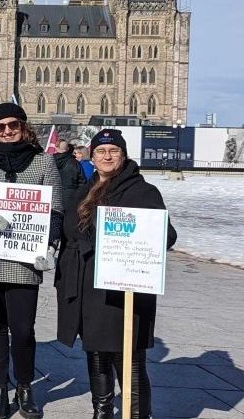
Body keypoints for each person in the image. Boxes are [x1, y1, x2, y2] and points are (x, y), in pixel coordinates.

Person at [56, 129, 177, 419]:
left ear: (123, 156)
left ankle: (137, 414)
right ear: (91, 156)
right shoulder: (84, 190)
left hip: (124, 291)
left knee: (129, 359)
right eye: (101, 151)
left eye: (114, 151)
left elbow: (166, 235)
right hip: (88, 287)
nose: (107, 156)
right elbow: (69, 230)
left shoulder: (142, 191)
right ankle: (103, 410)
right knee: (96, 353)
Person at [0, 103, 65, 419]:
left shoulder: (43, 163)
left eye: (13, 125)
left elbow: (57, 211)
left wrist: (50, 246)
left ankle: (25, 387)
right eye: (0, 127)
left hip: (25, 258)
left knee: (23, 329)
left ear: (24, 127)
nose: (8, 131)